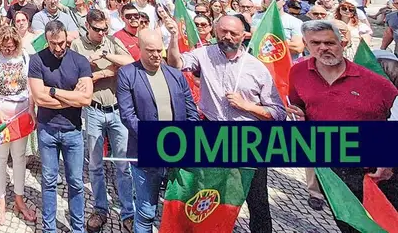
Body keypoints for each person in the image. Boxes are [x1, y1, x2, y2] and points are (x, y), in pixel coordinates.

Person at [168, 16, 286, 233]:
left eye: (233, 33)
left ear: (244, 36)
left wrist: (248, 106)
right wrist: (174, 37)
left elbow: (279, 113)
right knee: (211, 194)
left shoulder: (256, 68)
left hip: (250, 140)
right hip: (214, 135)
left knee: (257, 200)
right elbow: (176, 64)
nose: (227, 37)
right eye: (223, 31)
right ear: (215, 32)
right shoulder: (204, 54)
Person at [287, 20, 398, 232]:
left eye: (329, 43)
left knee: (384, 225)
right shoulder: (298, 73)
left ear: (343, 42)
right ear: (305, 44)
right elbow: (298, 105)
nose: (323, 48)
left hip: (375, 171)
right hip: (332, 168)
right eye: (316, 43)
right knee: (347, 225)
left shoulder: (375, 82)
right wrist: (299, 116)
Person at [117, 30, 199, 233]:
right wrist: (157, 141)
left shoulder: (175, 74)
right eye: (150, 50)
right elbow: (128, 116)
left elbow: (191, 111)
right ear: (140, 48)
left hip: (178, 152)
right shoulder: (127, 74)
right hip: (146, 153)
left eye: (158, 50)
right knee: (146, 210)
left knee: (179, 210)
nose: (156, 55)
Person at [69, 10, 134, 232]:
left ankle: (128, 212)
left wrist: (104, 59)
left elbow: (129, 62)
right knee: (95, 165)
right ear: (87, 26)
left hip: (116, 110)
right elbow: (77, 76)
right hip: (94, 110)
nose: (101, 33)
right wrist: (101, 73)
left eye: (104, 29)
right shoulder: (78, 45)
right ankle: (100, 209)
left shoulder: (112, 41)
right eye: (97, 29)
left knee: (123, 163)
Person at [28, 20, 93, 233]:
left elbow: (85, 100)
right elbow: (39, 98)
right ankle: (49, 229)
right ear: (46, 41)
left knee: (75, 183)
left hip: (73, 129)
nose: (58, 48)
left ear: (68, 38)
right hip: (47, 129)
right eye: (53, 44)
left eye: (62, 43)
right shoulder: (36, 60)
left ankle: (78, 228)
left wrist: (54, 91)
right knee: (48, 181)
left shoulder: (80, 61)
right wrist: (72, 97)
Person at [0, 26, 37, 225]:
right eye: (4, 47)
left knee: (20, 156)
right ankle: (1, 200)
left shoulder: (24, 55)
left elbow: (31, 85)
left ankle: (19, 199)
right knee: (0, 157)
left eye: (11, 47)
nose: (8, 50)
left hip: (21, 112)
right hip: (0, 114)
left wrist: (32, 108)